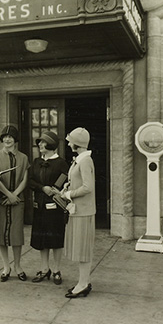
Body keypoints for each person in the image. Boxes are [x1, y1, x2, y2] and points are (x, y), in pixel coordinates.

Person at [0, 125, 29, 282]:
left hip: (17, 200)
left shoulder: (23, 158)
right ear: (2, 139)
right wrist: (8, 194)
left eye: (10, 137)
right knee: (1, 233)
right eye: (5, 137)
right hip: (0, 199)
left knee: (16, 234)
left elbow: (25, 178)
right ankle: (6, 267)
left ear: (15, 140)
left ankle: (18, 266)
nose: (7, 139)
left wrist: (15, 195)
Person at [59, 127, 96, 298]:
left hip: (83, 211)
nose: (68, 143)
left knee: (83, 249)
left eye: (70, 140)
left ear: (77, 143)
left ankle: (83, 284)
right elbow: (79, 180)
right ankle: (83, 282)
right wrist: (68, 185)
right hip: (78, 211)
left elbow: (88, 187)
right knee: (80, 249)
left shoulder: (85, 161)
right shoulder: (80, 160)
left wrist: (69, 194)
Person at [28, 130, 70, 285]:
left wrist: (52, 189)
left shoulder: (61, 163)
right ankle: (45, 269)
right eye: (39, 142)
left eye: (43, 142)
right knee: (41, 239)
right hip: (39, 206)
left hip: (55, 208)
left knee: (55, 239)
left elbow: (64, 181)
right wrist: (42, 188)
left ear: (51, 145)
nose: (40, 144)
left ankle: (57, 270)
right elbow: (30, 181)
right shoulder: (36, 162)